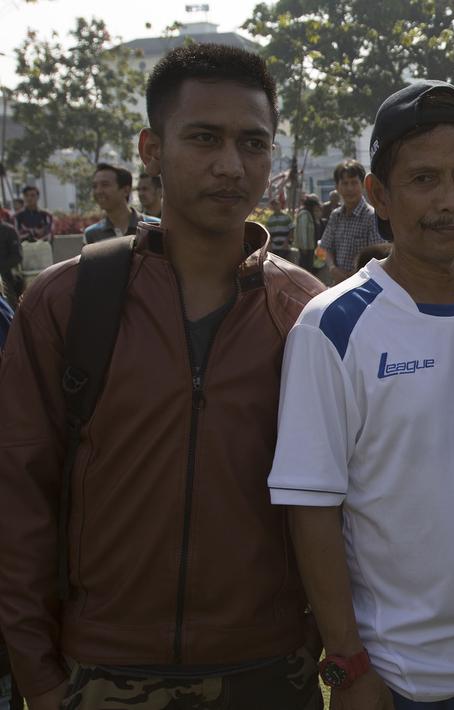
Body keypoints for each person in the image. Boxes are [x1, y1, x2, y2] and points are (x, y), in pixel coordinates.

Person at [0, 43, 325, 710]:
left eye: (252, 143)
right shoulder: (68, 302)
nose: (230, 165)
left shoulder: (307, 313)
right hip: (102, 667)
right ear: (151, 150)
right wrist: (38, 676)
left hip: (271, 668)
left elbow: (339, 505)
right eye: (204, 138)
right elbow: (19, 495)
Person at [268, 79, 454, 710]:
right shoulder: (332, 327)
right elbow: (311, 509)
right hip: (399, 674)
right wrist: (349, 662)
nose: (450, 201)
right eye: (423, 179)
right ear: (380, 195)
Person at [319, 159, 384, 283]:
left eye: (354, 183)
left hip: (364, 284)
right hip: (338, 284)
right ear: (337, 187)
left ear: (363, 185)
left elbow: (377, 258)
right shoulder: (335, 216)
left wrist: (354, 275)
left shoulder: (371, 217)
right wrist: (332, 268)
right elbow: (325, 248)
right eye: (345, 183)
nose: (349, 188)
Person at [83, 163, 143, 244]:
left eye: (105, 185)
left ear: (126, 190)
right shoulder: (91, 234)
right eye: (95, 186)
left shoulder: (151, 226)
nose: (98, 191)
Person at [293, 193, 323, 271]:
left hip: (311, 246)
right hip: (306, 247)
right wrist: (304, 247)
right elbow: (303, 232)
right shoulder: (305, 214)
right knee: (305, 267)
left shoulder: (310, 214)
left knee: (310, 266)